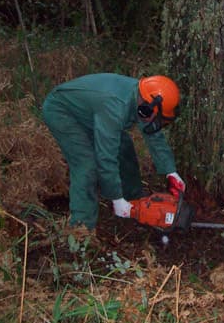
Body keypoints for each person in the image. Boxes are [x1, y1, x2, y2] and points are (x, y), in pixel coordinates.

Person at [42, 73, 186, 241]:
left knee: (123, 147)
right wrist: (115, 197)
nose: (158, 122)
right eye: (159, 118)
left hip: (90, 112)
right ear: (147, 107)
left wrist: (171, 171)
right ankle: (80, 231)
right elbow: (106, 157)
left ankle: (134, 201)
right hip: (61, 111)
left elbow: (153, 134)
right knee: (86, 166)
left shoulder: (145, 97)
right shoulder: (116, 107)